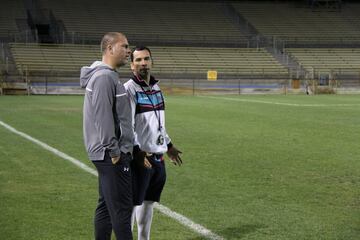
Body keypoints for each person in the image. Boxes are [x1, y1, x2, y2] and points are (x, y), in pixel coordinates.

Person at [124, 46, 182, 240]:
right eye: (138, 60)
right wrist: (137, 151)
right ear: (132, 65)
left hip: (158, 158)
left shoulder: (156, 88)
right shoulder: (129, 89)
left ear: (151, 62)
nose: (143, 63)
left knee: (148, 203)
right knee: (133, 204)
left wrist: (169, 145)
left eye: (146, 59)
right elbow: (127, 126)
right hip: (141, 158)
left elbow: (159, 124)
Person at [80, 32, 134, 240]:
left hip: (106, 153)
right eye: (125, 46)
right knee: (121, 210)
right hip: (110, 154)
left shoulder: (107, 75)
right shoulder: (104, 77)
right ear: (110, 48)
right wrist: (114, 152)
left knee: (105, 206)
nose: (128, 51)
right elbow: (103, 118)